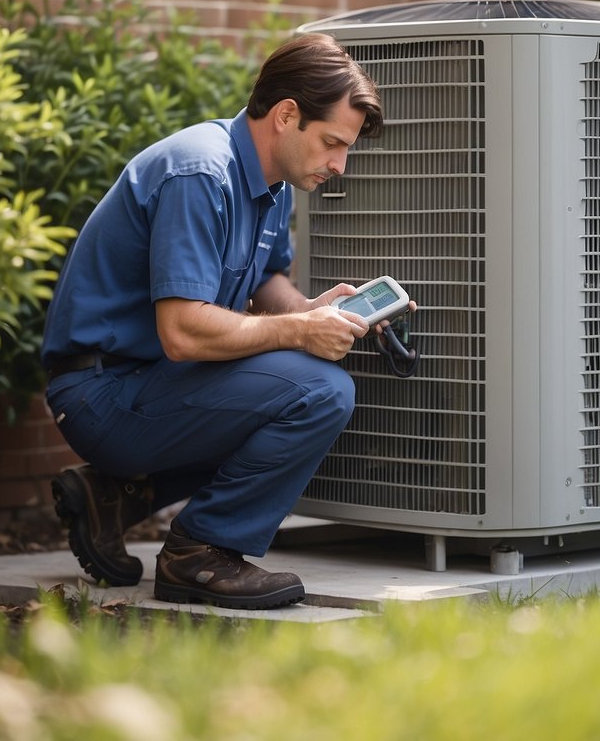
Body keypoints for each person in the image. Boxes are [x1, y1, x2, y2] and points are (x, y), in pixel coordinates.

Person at [41, 33, 404, 610]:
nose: (340, 165)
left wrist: (310, 312)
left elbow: (267, 283)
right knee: (320, 391)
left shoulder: (272, 182)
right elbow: (184, 333)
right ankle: (198, 553)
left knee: (300, 375)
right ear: (287, 115)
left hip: (152, 382)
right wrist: (297, 334)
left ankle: (115, 493)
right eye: (333, 143)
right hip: (103, 392)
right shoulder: (201, 173)